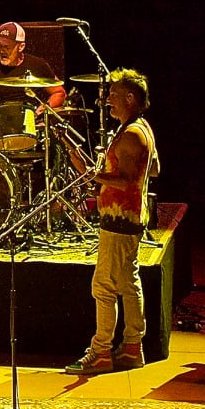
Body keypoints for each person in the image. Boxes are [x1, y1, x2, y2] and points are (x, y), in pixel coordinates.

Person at [66, 68, 157, 375]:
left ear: (130, 98)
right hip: (131, 216)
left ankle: (101, 350)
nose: (107, 100)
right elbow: (154, 168)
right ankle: (133, 347)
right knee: (129, 283)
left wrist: (95, 175)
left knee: (103, 285)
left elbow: (128, 179)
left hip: (119, 219)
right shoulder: (140, 128)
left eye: (113, 95)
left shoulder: (131, 134)